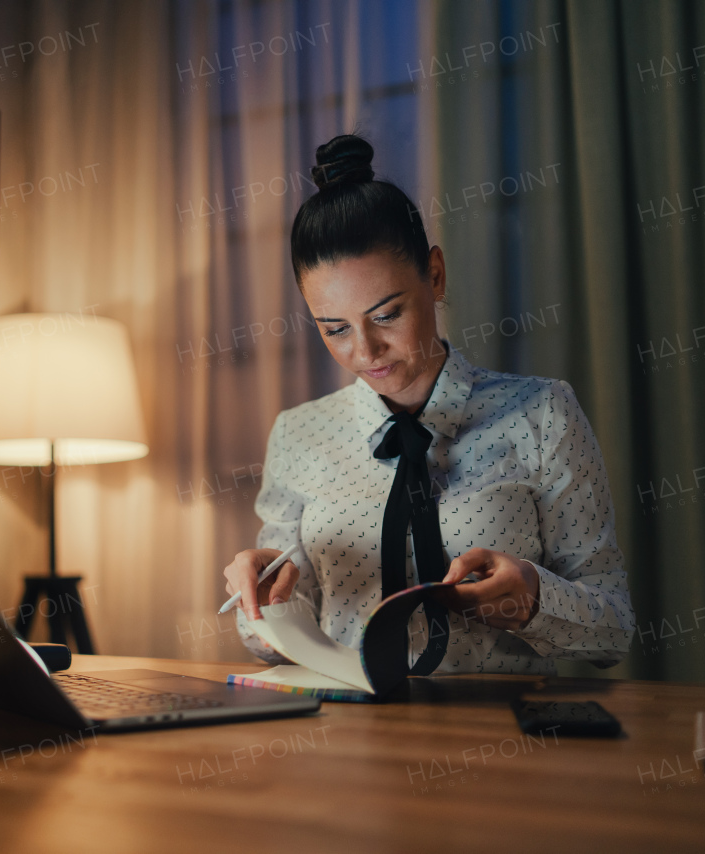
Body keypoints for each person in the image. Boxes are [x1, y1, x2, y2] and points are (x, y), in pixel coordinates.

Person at [222, 134, 634, 675]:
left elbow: (612, 630)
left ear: (434, 274)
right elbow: (273, 637)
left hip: (505, 742)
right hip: (347, 738)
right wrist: (267, 608)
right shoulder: (298, 433)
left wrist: (533, 598)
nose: (364, 351)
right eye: (335, 328)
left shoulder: (543, 413)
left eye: (387, 315)